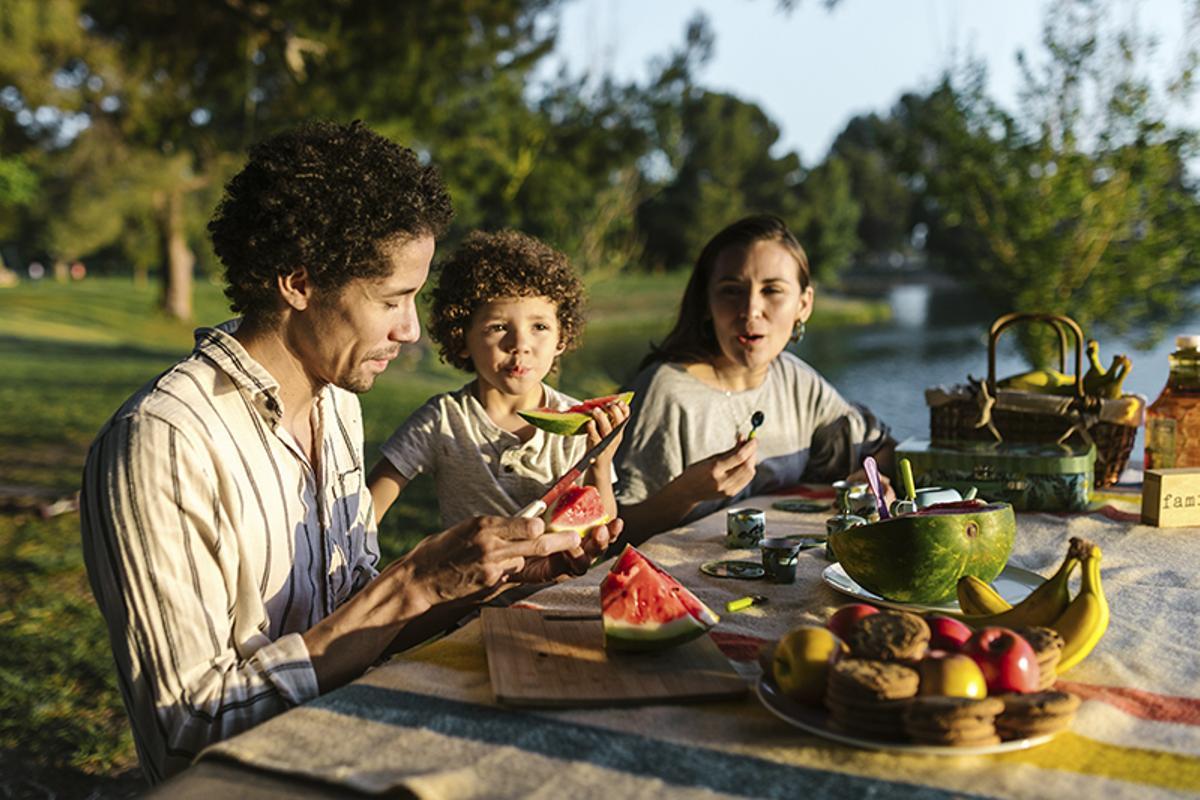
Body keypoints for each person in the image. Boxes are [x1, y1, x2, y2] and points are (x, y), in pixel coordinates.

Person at [78, 121, 621, 784]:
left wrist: (487, 580)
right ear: (299, 283)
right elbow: (187, 730)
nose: (412, 328)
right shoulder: (161, 444)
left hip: (354, 758)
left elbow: (351, 633)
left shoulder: (337, 402)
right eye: (393, 298)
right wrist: (411, 585)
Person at [614, 214, 894, 543]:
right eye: (731, 291)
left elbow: (878, 447)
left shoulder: (793, 378)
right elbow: (614, 533)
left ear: (804, 305)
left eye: (772, 290)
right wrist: (686, 493)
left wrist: (877, 480)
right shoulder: (665, 391)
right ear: (707, 303)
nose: (750, 310)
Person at [367, 230, 627, 528]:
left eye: (539, 326)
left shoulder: (580, 425)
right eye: (499, 327)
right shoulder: (441, 420)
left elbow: (601, 529)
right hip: (467, 575)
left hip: (559, 576)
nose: (520, 343)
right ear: (461, 338)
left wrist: (601, 462)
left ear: (561, 339)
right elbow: (368, 510)